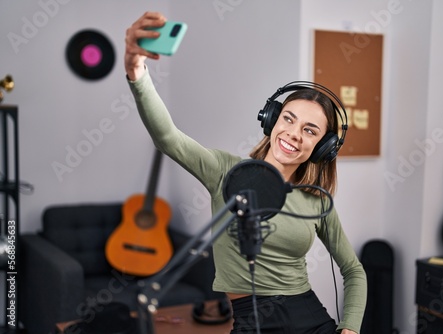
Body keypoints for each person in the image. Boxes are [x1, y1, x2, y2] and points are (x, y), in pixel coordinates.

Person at [125, 11, 367, 334]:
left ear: (323, 148)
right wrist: (136, 71)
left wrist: (349, 328)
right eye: (289, 119)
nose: (295, 134)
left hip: (311, 318)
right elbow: (168, 138)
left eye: (310, 131)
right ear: (272, 120)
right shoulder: (226, 171)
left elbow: (353, 270)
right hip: (250, 321)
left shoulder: (315, 200)